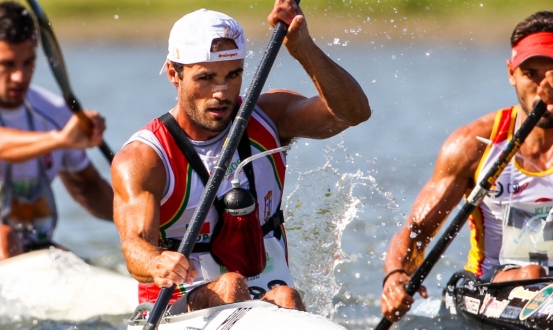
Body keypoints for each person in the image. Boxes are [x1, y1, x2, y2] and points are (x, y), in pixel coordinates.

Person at [112, 0, 371, 314]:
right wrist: (155, 260)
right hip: (174, 307)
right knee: (230, 285)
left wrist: (303, 47)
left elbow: (352, 113)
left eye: (233, 75)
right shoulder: (145, 158)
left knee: (287, 296)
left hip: (272, 298)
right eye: (206, 77)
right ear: (174, 73)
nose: (221, 92)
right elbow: (133, 245)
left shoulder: (269, 117)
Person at [381, 11, 553, 323]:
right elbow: (416, 233)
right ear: (511, 73)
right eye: (531, 73)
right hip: (494, 286)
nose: (544, 88)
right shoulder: (474, 145)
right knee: (531, 272)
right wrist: (395, 277)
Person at [0, 1, 113, 271]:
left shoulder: (53, 112)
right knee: (4, 238)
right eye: (7, 64)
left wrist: (148, 220)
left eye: (28, 63)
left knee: (78, 264)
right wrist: (60, 140)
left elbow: (88, 188)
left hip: (38, 250)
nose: (19, 76)